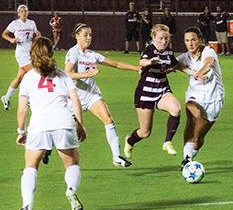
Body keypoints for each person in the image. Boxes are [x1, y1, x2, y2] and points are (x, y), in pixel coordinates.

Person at [14, 37, 87, 210]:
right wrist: (80, 124)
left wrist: (21, 132)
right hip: (64, 123)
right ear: (51, 54)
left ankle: (27, 206)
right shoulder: (63, 75)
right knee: (72, 164)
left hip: (39, 126)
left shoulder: (28, 78)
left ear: (32, 55)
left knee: (30, 167)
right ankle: (71, 189)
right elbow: (75, 100)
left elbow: (22, 110)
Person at [65, 23, 140, 168]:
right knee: (66, 127)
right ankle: (47, 148)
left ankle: (116, 156)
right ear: (77, 36)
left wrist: (135, 68)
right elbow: (67, 73)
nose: (88, 38)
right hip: (75, 98)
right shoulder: (73, 52)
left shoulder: (92, 55)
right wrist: (87, 74)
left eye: (90, 35)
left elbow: (116, 64)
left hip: (92, 95)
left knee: (108, 119)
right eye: (85, 35)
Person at [124, 24, 181, 159]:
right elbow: (142, 62)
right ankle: (130, 141)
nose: (164, 41)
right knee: (145, 132)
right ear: (154, 38)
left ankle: (168, 141)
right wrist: (150, 62)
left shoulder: (169, 52)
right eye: (161, 38)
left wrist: (192, 72)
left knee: (176, 109)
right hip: (145, 94)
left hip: (162, 90)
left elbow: (176, 64)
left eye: (167, 38)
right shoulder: (150, 50)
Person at [175, 27, 224, 168]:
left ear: (200, 40)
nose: (190, 43)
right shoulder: (186, 56)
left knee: (198, 137)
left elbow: (208, 63)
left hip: (214, 99)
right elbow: (172, 64)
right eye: (187, 40)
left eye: (193, 40)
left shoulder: (208, 51)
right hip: (194, 96)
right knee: (193, 115)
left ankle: (189, 155)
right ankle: (186, 159)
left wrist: (200, 72)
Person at [0, 5, 39, 110]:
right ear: (18, 13)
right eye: (21, 11)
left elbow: (36, 35)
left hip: (30, 53)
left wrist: (38, 35)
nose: (24, 13)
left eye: (25, 11)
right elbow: (4, 34)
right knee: (35, 72)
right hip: (21, 54)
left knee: (20, 77)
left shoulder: (32, 23)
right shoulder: (15, 24)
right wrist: (12, 40)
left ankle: (6, 97)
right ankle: (30, 99)